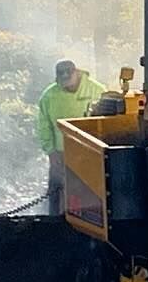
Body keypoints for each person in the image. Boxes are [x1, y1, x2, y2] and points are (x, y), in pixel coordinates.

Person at [35, 60, 105, 215]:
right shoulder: (49, 96)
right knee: (56, 191)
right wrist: (51, 151)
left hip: (91, 153)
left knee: (91, 193)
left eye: (68, 72)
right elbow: (43, 126)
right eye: (61, 74)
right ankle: (54, 222)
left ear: (76, 72)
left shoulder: (96, 91)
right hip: (61, 154)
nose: (65, 76)